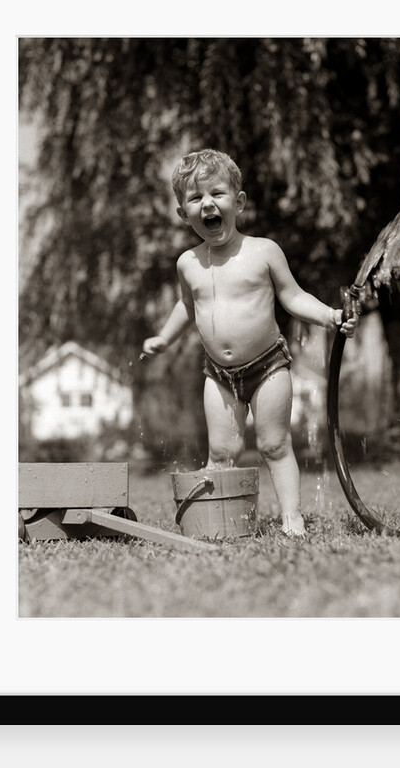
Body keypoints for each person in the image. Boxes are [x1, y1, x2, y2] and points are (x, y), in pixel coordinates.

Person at [142, 149, 358, 537]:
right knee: (221, 453)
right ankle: (223, 522)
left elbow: (293, 297)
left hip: (267, 365)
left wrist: (329, 316)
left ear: (237, 202)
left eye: (217, 194)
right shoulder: (188, 263)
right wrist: (163, 337)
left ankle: (292, 516)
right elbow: (186, 305)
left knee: (275, 444)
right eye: (195, 198)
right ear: (183, 214)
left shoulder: (262, 251)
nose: (208, 204)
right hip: (218, 373)